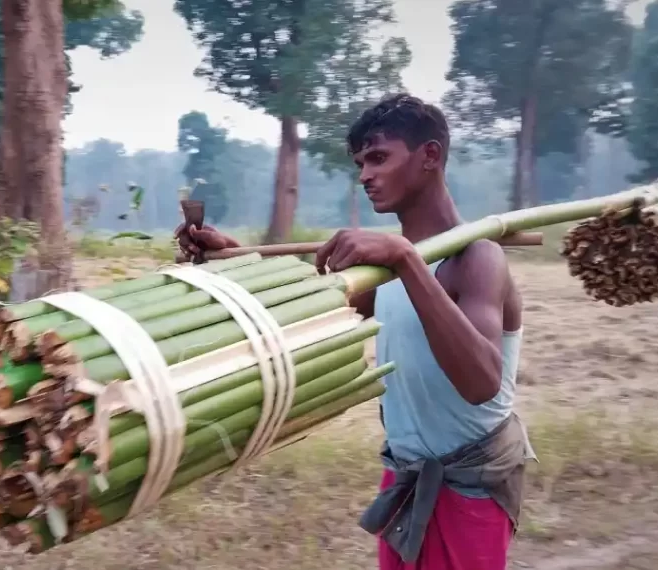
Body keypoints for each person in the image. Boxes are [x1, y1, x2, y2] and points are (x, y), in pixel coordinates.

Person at [174, 93, 534, 570]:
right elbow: (307, 306)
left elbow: (480, 381)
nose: (365, 175)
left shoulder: (476, 257)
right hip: (404, 477)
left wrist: (405, 258)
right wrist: (234, 255)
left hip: (470, 487)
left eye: (379, 158)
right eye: (361, 163)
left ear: (430, 156)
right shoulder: (387, 270)